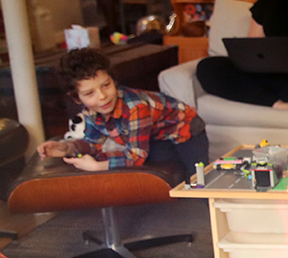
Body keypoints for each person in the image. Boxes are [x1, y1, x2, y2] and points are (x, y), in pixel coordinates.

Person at [38, 48, 209, 174]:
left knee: (198, 179)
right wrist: (67, 147)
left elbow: (136, 156)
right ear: (77, 98)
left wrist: (97, 167)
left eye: (106, 85)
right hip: (157, 136)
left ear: (113, 80)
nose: (102, 96)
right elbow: (92, 143)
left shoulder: (136, 107)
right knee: (144, 160)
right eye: (90, 93)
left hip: (187, 128)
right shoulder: (91, 111)